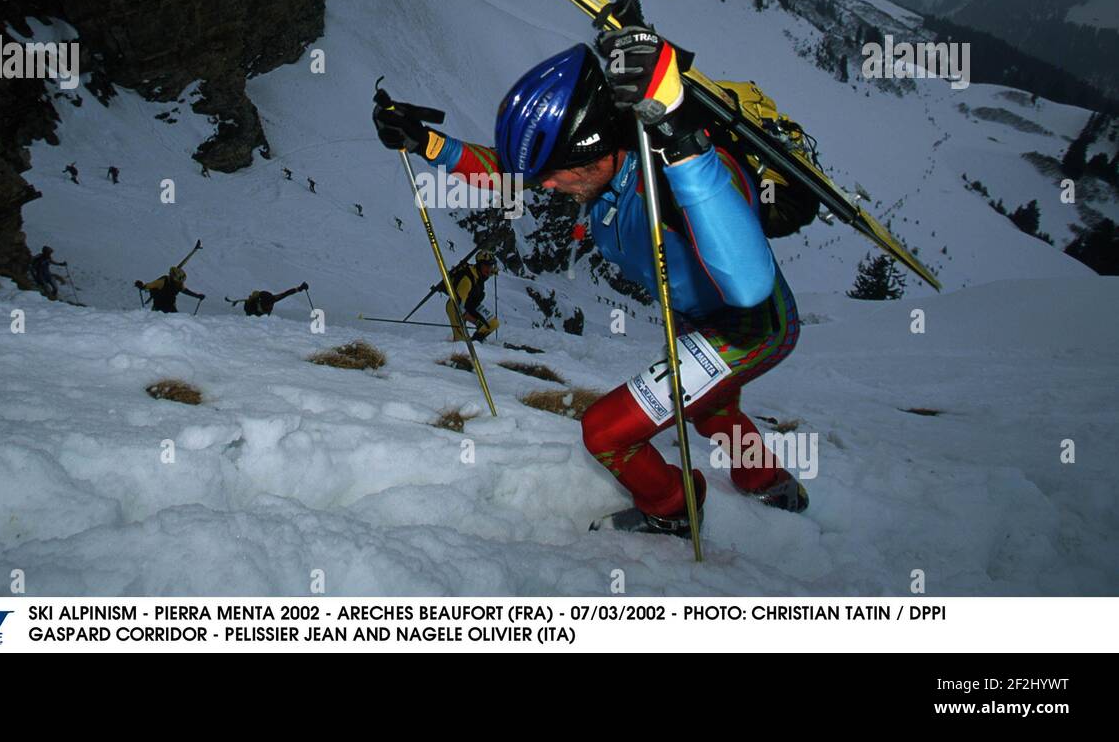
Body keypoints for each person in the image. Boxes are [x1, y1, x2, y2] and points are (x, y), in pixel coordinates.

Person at [372, 27, 805, 538]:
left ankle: (674, 507)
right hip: (701, 322)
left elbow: (750, 283)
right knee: (710, 408)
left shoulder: (679, 177)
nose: (546, 187)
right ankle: (770, 482)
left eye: (555, 175)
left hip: (753, 326)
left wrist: (686, 145)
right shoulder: (600, 170)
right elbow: (511, 174)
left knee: (606, 432)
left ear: (597, 154)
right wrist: (428, 143)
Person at [436, 251, 499, 343]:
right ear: (479, 265)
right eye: (486, 265)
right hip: (455, 307)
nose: (489, 269)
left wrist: (494, 271)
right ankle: (460, 350)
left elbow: (488, 272)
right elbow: (459, 306)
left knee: (493, 324)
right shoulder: (467, 281)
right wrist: (476, 321)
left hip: (470, 305)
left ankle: (476, 343)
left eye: (491, 266)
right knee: (460, 342)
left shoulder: (479, 273)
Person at [135, 266, 204, 313]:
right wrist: (141, 286)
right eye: (177, 281)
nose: (179, 283)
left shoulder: (179, 284)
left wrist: (197, 296)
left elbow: (185, 291)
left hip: (171, 307)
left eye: (180, 282)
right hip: (158, 308)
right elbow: (149, 286)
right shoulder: (162, 281)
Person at [239, 283, 307, 317]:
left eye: (271, 303)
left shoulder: (272, 299)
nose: (271, 305)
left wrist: (300, 288)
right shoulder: (253, 304)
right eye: (270, 304)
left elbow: (286, 293)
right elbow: (248, 313)